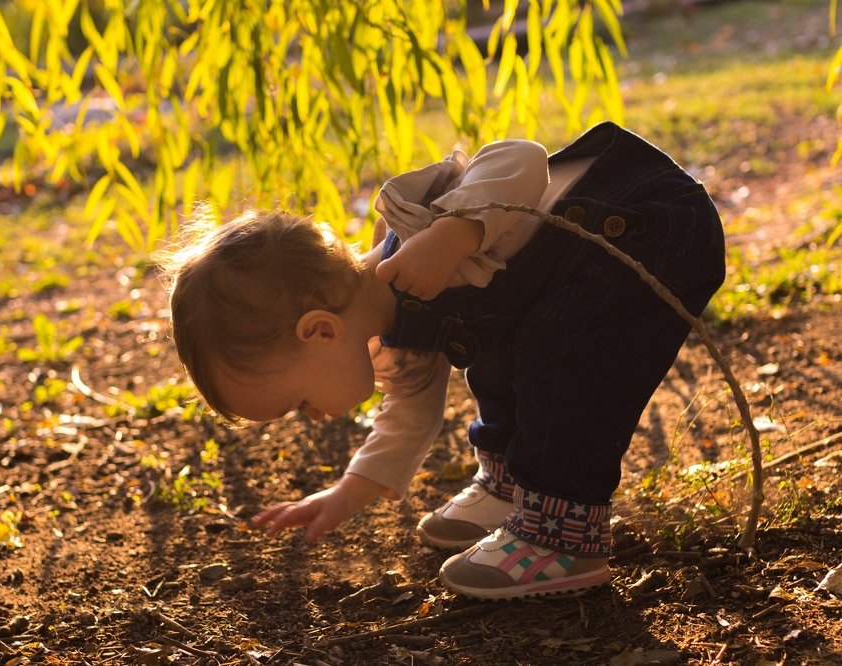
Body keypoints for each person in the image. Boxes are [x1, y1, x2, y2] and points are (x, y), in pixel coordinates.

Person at [164, 122, 726, 600]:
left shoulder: (415, 235)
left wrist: (453, 235)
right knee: (506, 344)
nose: (313, 416)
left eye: (299, 403)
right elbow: (409, 416)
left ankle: (561, 534)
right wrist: (349, 490)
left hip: (645, 226)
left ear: (319, 331)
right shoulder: (393, 334)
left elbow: (521, 157)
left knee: (558, 357)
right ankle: (512, 487)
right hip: (587, 268)